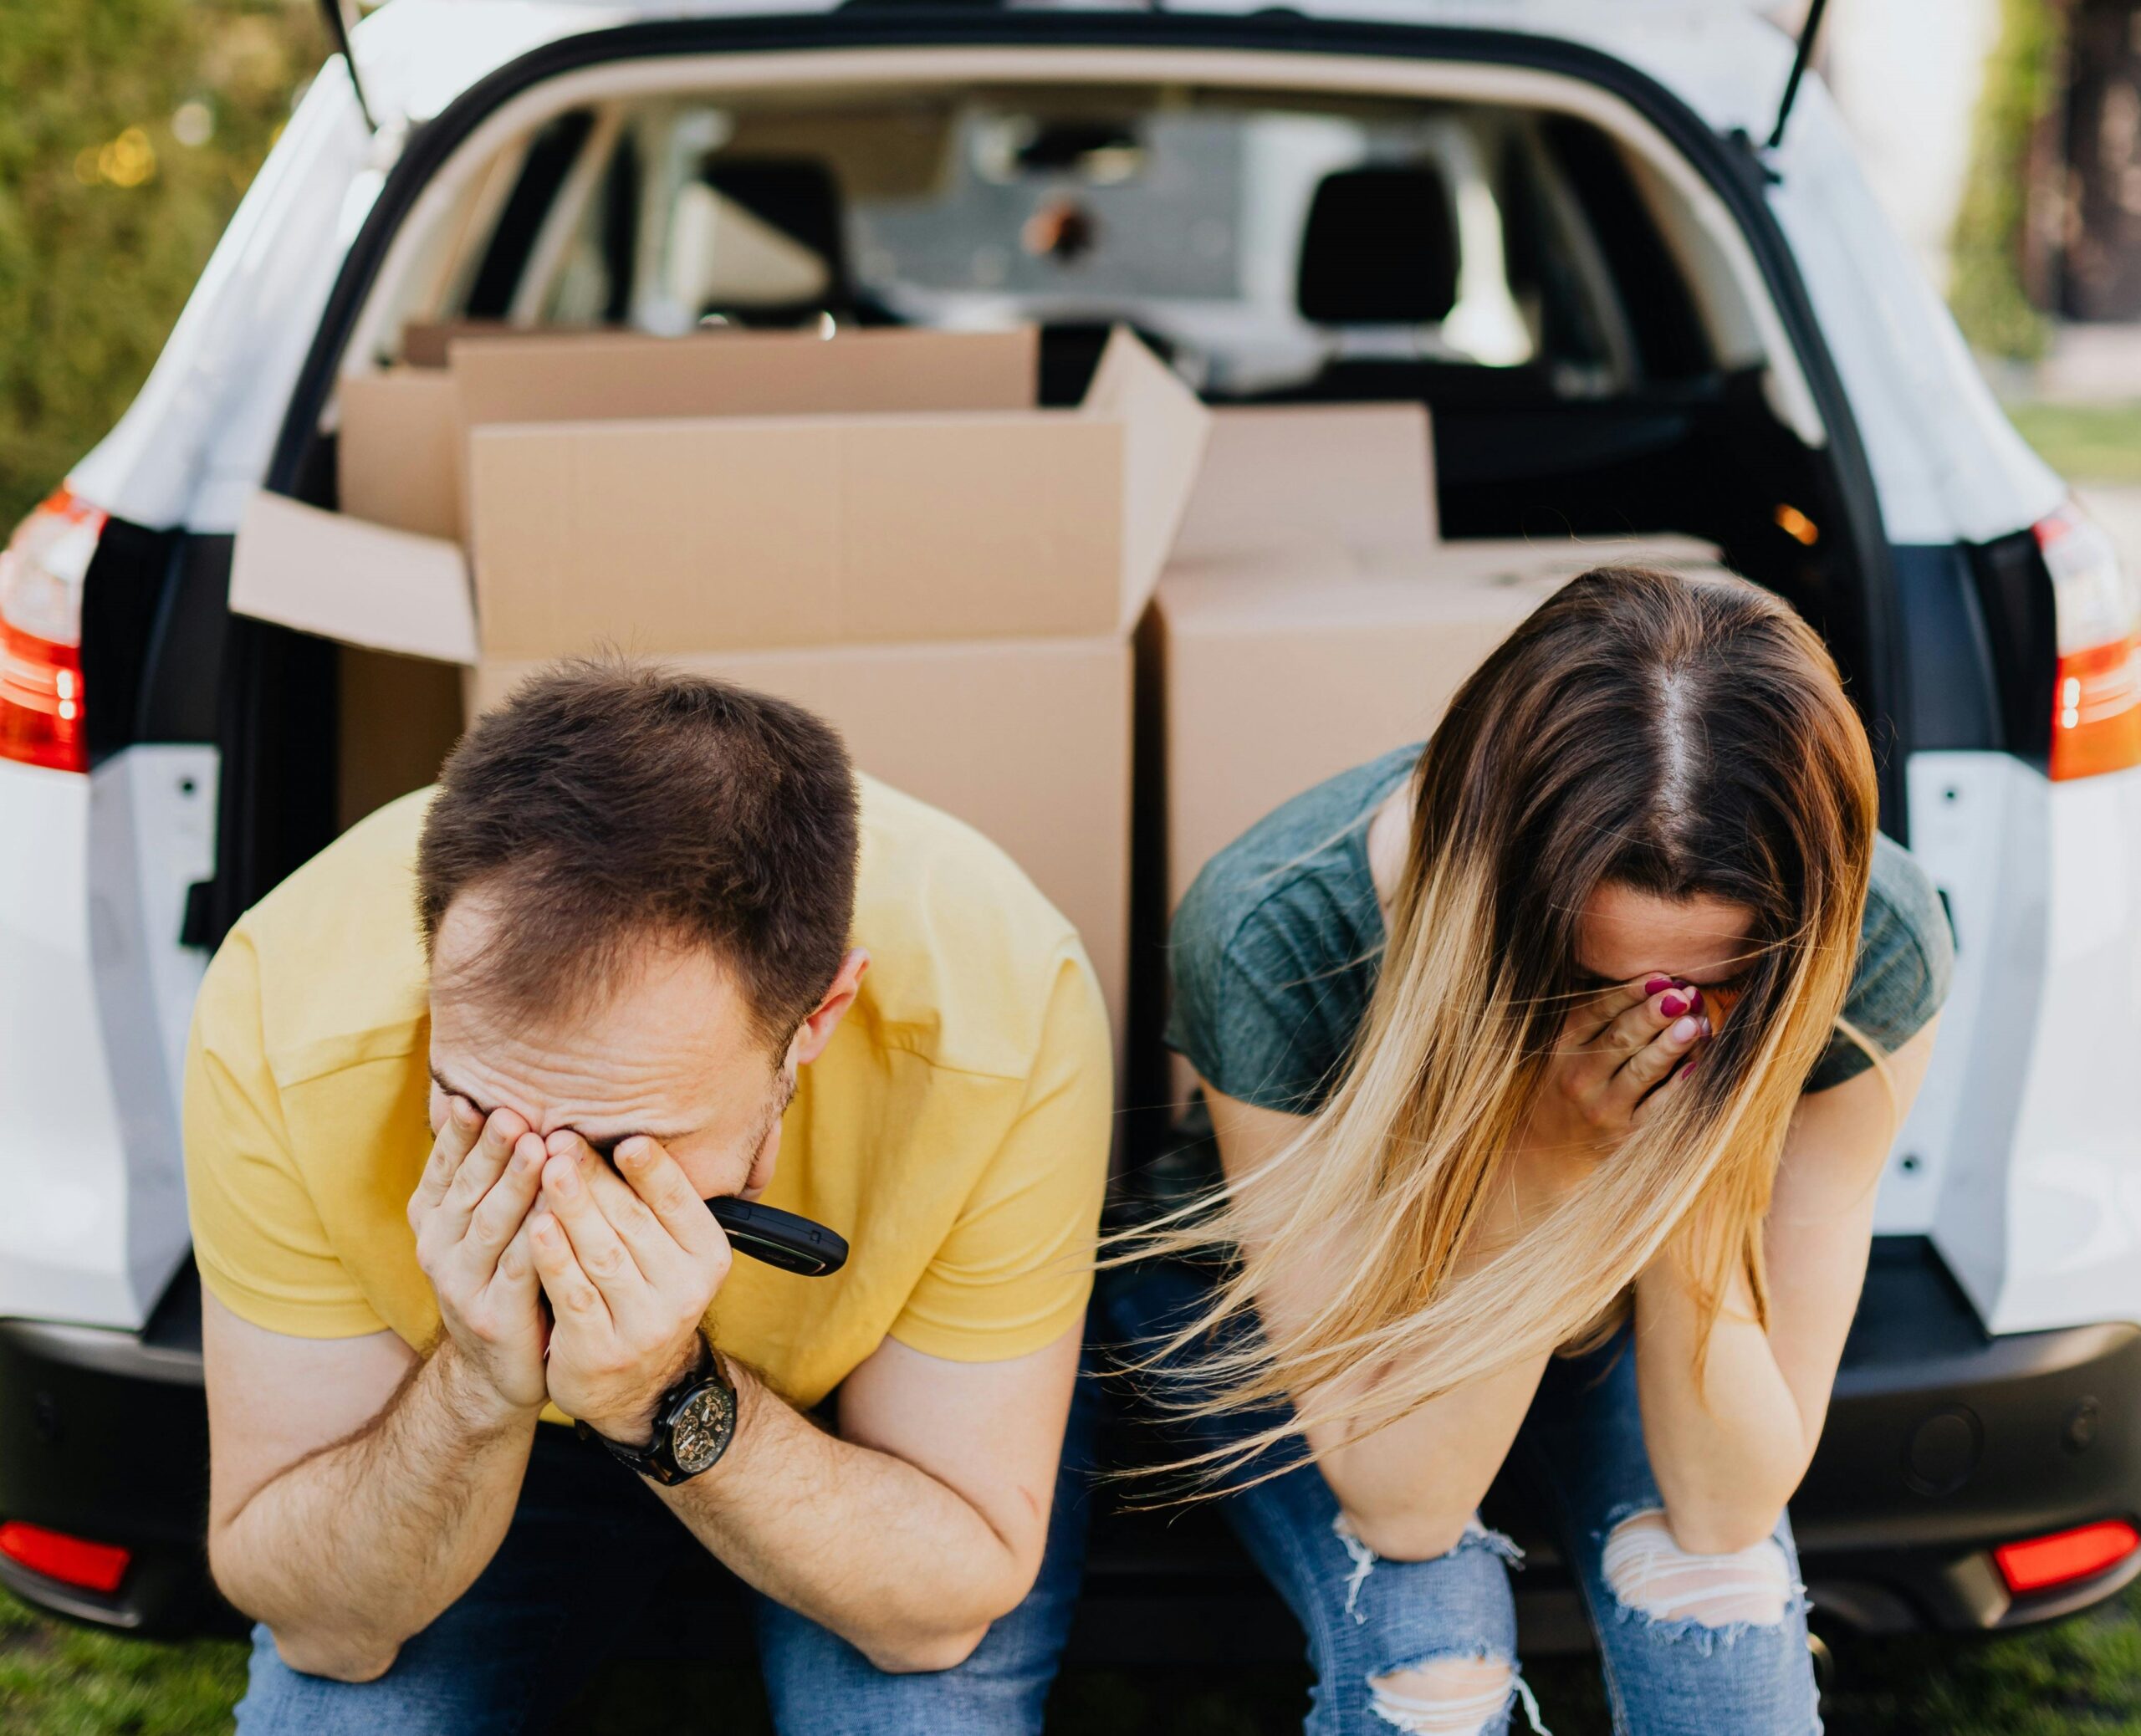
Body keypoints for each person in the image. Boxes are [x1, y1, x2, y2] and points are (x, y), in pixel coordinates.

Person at [184, 659, 1113, 1735]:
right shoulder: (284, 1012)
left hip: (864, 1430)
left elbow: (934, 1620)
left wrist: (660, 1391)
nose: (548, 1205)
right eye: (475, 1113)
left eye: (625, 1145)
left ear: (815, 1021)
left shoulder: (1003, 1007)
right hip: (441, 1413)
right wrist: (476, 1382)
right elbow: (320, 1628)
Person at [1106, 565, 1952, 1736]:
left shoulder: (1878, 939)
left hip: (1619, 1306)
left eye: (1709, 985)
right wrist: (1546, 1159)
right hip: (1292, 1305)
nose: (1649, 1017)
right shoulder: (1278, 925)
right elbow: (1404, 1505)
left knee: (1723, 1600)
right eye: (1582, 971)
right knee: (1431, 1674)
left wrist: (1679, 1155)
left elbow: (1728, 1505)